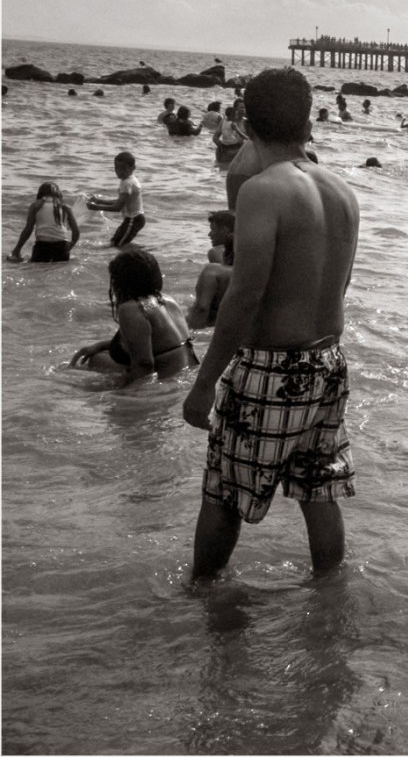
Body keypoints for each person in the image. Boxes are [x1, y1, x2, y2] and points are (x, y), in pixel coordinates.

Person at [183, 66, 361, 581]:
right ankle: (328, 596)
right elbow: (339, 284)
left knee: (223, 489)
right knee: (318, 489)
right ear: (308, 124)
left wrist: (204, 382)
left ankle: (204, 594)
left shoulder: (262, 190)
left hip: (271, 368)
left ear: (249, 123)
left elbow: (245, 293)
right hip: (327, 360)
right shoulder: (342, 192)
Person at [70, 248, 198, 382]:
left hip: (168, 381)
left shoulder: (132, 309)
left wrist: (110, 390)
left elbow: (144, 366)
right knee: (100, 356)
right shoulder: (166, 301)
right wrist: (101, 345)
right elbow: (155, 342)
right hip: (189, 372)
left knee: (96, 360)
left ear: (121, 281)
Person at [9, 181, 80, 262]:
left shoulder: (35, 206)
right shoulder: (66, 207)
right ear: (58, 194)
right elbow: (76, 232)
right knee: (58, 270)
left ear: (40, 193)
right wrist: (69, 246)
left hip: (42, 245)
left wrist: (17, 249)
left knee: (33, 268)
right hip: (62, 246)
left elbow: (28, 229)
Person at [86, 151, 145, 247]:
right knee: (115, 242)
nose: (119, 171)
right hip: (132, 219)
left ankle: (142, 254)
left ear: (133, 168)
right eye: (116, 168)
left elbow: (118, 207)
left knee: (119, 245)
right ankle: (142, 250)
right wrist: (100, 201)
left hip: (134, 219)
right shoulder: (127, 180)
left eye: (123, 169)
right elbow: (121, 202)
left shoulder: (127, 183)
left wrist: (96, 207)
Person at [187, 238, 233, 329]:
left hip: (214, 330)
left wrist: (190, 338)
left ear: (225, 253)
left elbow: (202, 308)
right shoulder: (256, 275)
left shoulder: (213, 271)